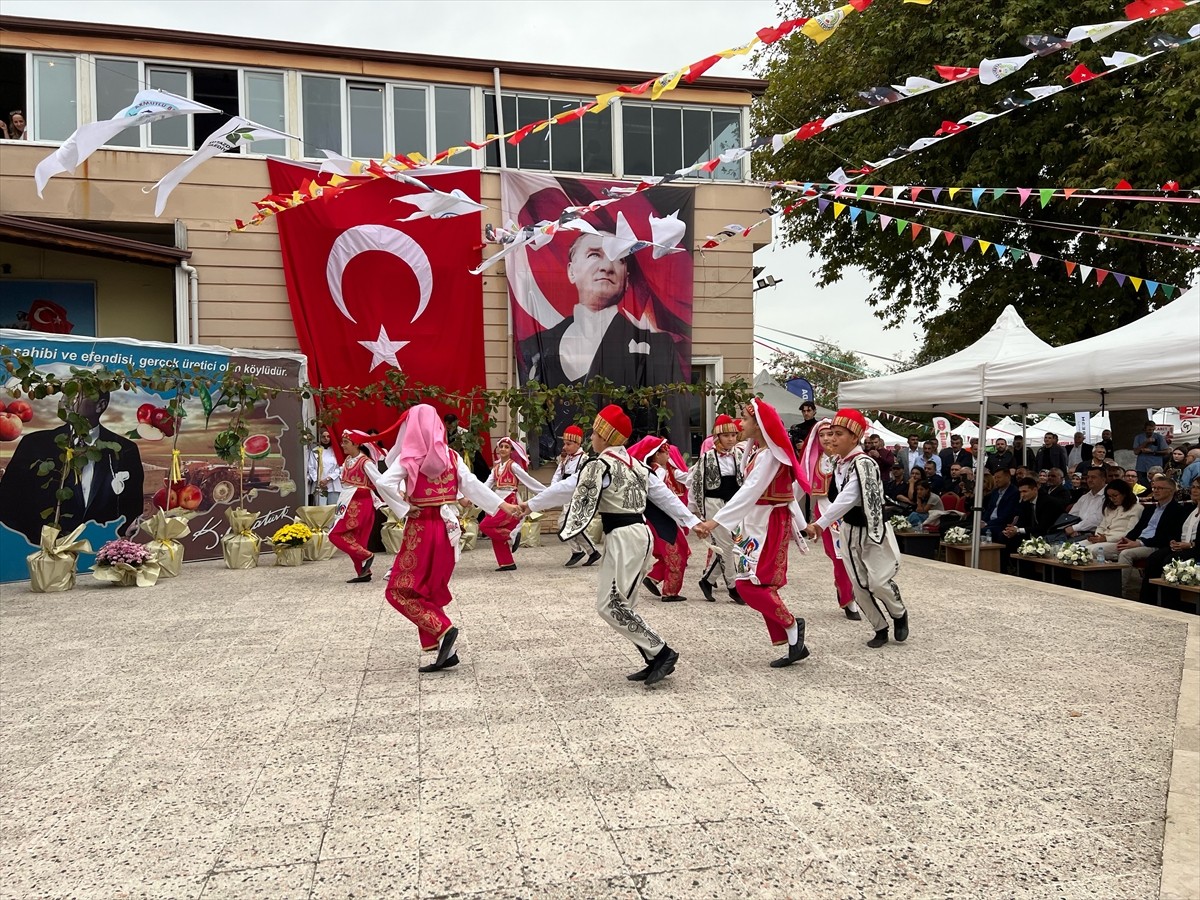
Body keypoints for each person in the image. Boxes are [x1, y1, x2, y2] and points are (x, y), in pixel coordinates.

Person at [525, 405, 696, 687]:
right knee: (622, 602)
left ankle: (662, 652)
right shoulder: (638, 466)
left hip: (623, 538)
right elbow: (664, 497)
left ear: (604, 435)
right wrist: (690, 520)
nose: (592, 435)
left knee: (610, 604)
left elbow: (565, 488)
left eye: (595, 431)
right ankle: (653, 657)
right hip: (638, 534)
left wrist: (527, 505)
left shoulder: (599, 465)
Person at [354, 405, 522, 672]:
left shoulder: (410, 458)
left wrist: (404, 506)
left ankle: (444, 629)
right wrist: (503, 507)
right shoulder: (452, 457)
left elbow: (385, 483)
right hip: (447, 530)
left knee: (398, 590)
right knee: (429, 590)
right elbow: (474, 486)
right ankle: (448, 651)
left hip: (420, 529)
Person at [517, 231, 684, 449]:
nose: (607, 266)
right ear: (571, 271)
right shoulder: (534, 348)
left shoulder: (657, 349)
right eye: (595, 255)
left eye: (619, 258)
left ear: (627, 280)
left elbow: (670, 424)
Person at [695, 398, 813, 667]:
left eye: (746, 420)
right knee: (751, 582)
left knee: (751, 584)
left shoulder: (771, 455)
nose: (740, 424)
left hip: (768, 522)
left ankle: (793, 626)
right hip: (754, 522)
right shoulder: (762, 453)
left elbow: (751, 491)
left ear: (759, 425)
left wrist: (716, 521)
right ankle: (793, 637)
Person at [802, 408, 908, 649]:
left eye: (838, 434)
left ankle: (899, 613)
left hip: (873, 529)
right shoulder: (839, 463)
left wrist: (819, 524)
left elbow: (849, 496)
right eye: (830, 433)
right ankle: (879, 627)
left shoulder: (864, 463)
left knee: (879, 581)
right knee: (859, 584)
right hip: (850, 528)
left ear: (854, 437)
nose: (832, 438)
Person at [0, 390, 144, 545]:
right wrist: (27, 545)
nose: (64, 400)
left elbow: (132, 507)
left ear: (100, 406)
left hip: (101, 553)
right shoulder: (34, 444)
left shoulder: (124, 450)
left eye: (75, 395)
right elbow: (7, 503)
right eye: (64, 394)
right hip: (39, 553)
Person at [796, 418, 862, 620]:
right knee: (839, 557)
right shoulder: (811, 462)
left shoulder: (850, 460)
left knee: (852, 556)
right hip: (825, 512)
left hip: (849, 513)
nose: (827, 439)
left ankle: (849, 593)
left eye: (830, 434)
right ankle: (847, 598)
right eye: (821, 435)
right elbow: (795, 492)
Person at [689, 414, 745, 603]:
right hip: (713, 504)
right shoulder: (707, 458)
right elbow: (696, 484)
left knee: (730, 545)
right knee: (727, 546)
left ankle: (707, 580)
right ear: (718, 437)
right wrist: (700, 512)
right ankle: (733, 586)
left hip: (733, 506)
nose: (731, 439)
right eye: (726, 435)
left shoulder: (740, 455)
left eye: (733, 435)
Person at [631, 436, 691, 602]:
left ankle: (653, 578)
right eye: (666, 453)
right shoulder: (657, 471)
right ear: (657, 455)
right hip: (662, 518)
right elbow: (664, 497)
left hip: (657, 518)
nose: (668, 456)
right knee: (677, 553)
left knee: (673, 552)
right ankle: (670, 591)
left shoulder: (649, 470)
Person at [479, 437, 545, 571]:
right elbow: (485, 486)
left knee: (484, 525)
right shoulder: (496, 468)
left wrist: (547, 493)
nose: (503, 449)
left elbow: (528, 480)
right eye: (501, 446)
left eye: (506, 447)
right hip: (498, 502)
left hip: (510, 500)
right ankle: (507, 562)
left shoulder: (513, 465)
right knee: (494, 533)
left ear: (511, 451)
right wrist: (474, 496)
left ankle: (512, 535)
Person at [1113, 476, 1190, 592]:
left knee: (1126, 554)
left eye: (1160, 488)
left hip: (1153, 545)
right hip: (1138, 541)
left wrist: (1139, 543)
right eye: (1154, 488)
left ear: (1171, 491)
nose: (1155, 491)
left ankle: (1118, 591)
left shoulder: (1177, 510)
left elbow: (1166, 537)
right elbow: (1138, 528)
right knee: (1103, 549)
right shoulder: (1150, 509)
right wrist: (1127, 539)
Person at [328, 432, 379, 584]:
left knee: (335, 534)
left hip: (361, 502)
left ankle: (365, 556)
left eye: (345, 442)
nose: (342, 445)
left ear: (356, 444)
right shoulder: (349, 460)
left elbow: (379, 481)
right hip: (348, 500)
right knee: (355, 538)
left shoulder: (365, 462)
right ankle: (363, 572)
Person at [1139, 480, 1200, 605]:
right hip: (1182, 545)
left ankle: (1171, 603)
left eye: (1198, 488)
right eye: (1193, 487)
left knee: (1169, 560)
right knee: (1154, 558)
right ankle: (1148, 601)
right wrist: (1173, 541)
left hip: (1195, 548)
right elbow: (1177, 529)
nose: (1194, 490)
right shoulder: (1190, 509)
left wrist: (1191, 544)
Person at [551, 424, 599, 567]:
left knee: (565, 523)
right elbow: (557, 475)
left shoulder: (584, 460)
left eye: (568, 444)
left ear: (578, 443)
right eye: (564, 443)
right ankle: (591, 551)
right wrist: (553, 489)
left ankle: (579, 551)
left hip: (577, 496)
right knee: (570, 525)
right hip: (566, 495)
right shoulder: (566, 459)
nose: (565, 447)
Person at [1003, 477, 1062, 559]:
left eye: (1025, 491)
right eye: (1020, 492)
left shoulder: (1048, 502)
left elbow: (1043, 527)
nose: (1022, 495)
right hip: (1034, 532)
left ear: (1035, 489)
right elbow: (1023, 520)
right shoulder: (1026, 502)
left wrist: (1018, 530)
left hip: (1050, 534)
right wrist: (1014, 529)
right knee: (1005, 537)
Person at [1086, 479, 1142, 558]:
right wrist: (1097, 536)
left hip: (1118, 541)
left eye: (1115, 496)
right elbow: (1101, 526)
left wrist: (1107, 538)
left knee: (1092, 551)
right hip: (1102, 538)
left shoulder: (1136, 508)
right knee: (1075, 547)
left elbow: (1130, 532)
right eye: (1109, 496)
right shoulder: (1109, 508)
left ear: (1125, 494)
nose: (1112, 499)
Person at [1061, 467, 1107, 541]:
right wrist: (1072, 528)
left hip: (1096, 534)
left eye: (1093, 477)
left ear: (1103, 479)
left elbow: (1097, 519)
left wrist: (1074, 528)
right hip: (1077, 531)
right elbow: (1072, 515)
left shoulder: (1107, 496)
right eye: (1088, 477)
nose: (1089, 480)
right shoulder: (1085, 497)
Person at [307, 429, 341, 506]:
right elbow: (311, 467)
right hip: (319, 484)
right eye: (323, 437)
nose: (326, 439)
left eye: (328, 436)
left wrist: (328, 479)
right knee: (320, 509)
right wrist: (319, 481)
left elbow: (339, 467)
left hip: (333, 484)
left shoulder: (336, 451)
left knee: (333, 509)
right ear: (320, 438)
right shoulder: (315, 451)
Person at [1133, 421, 1168, 488]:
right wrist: (1146, 442)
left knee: (1157, 484)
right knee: (1143, 486)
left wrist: (1152, 452)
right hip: (1142, 466)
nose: (1151, 431)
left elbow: (1166, 451)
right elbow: (1136, 452)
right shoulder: (1138, 437)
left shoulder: (1159, 437)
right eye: (1149, 429)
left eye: (1153, 429)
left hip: (1155, 466)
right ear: (1145, 429)